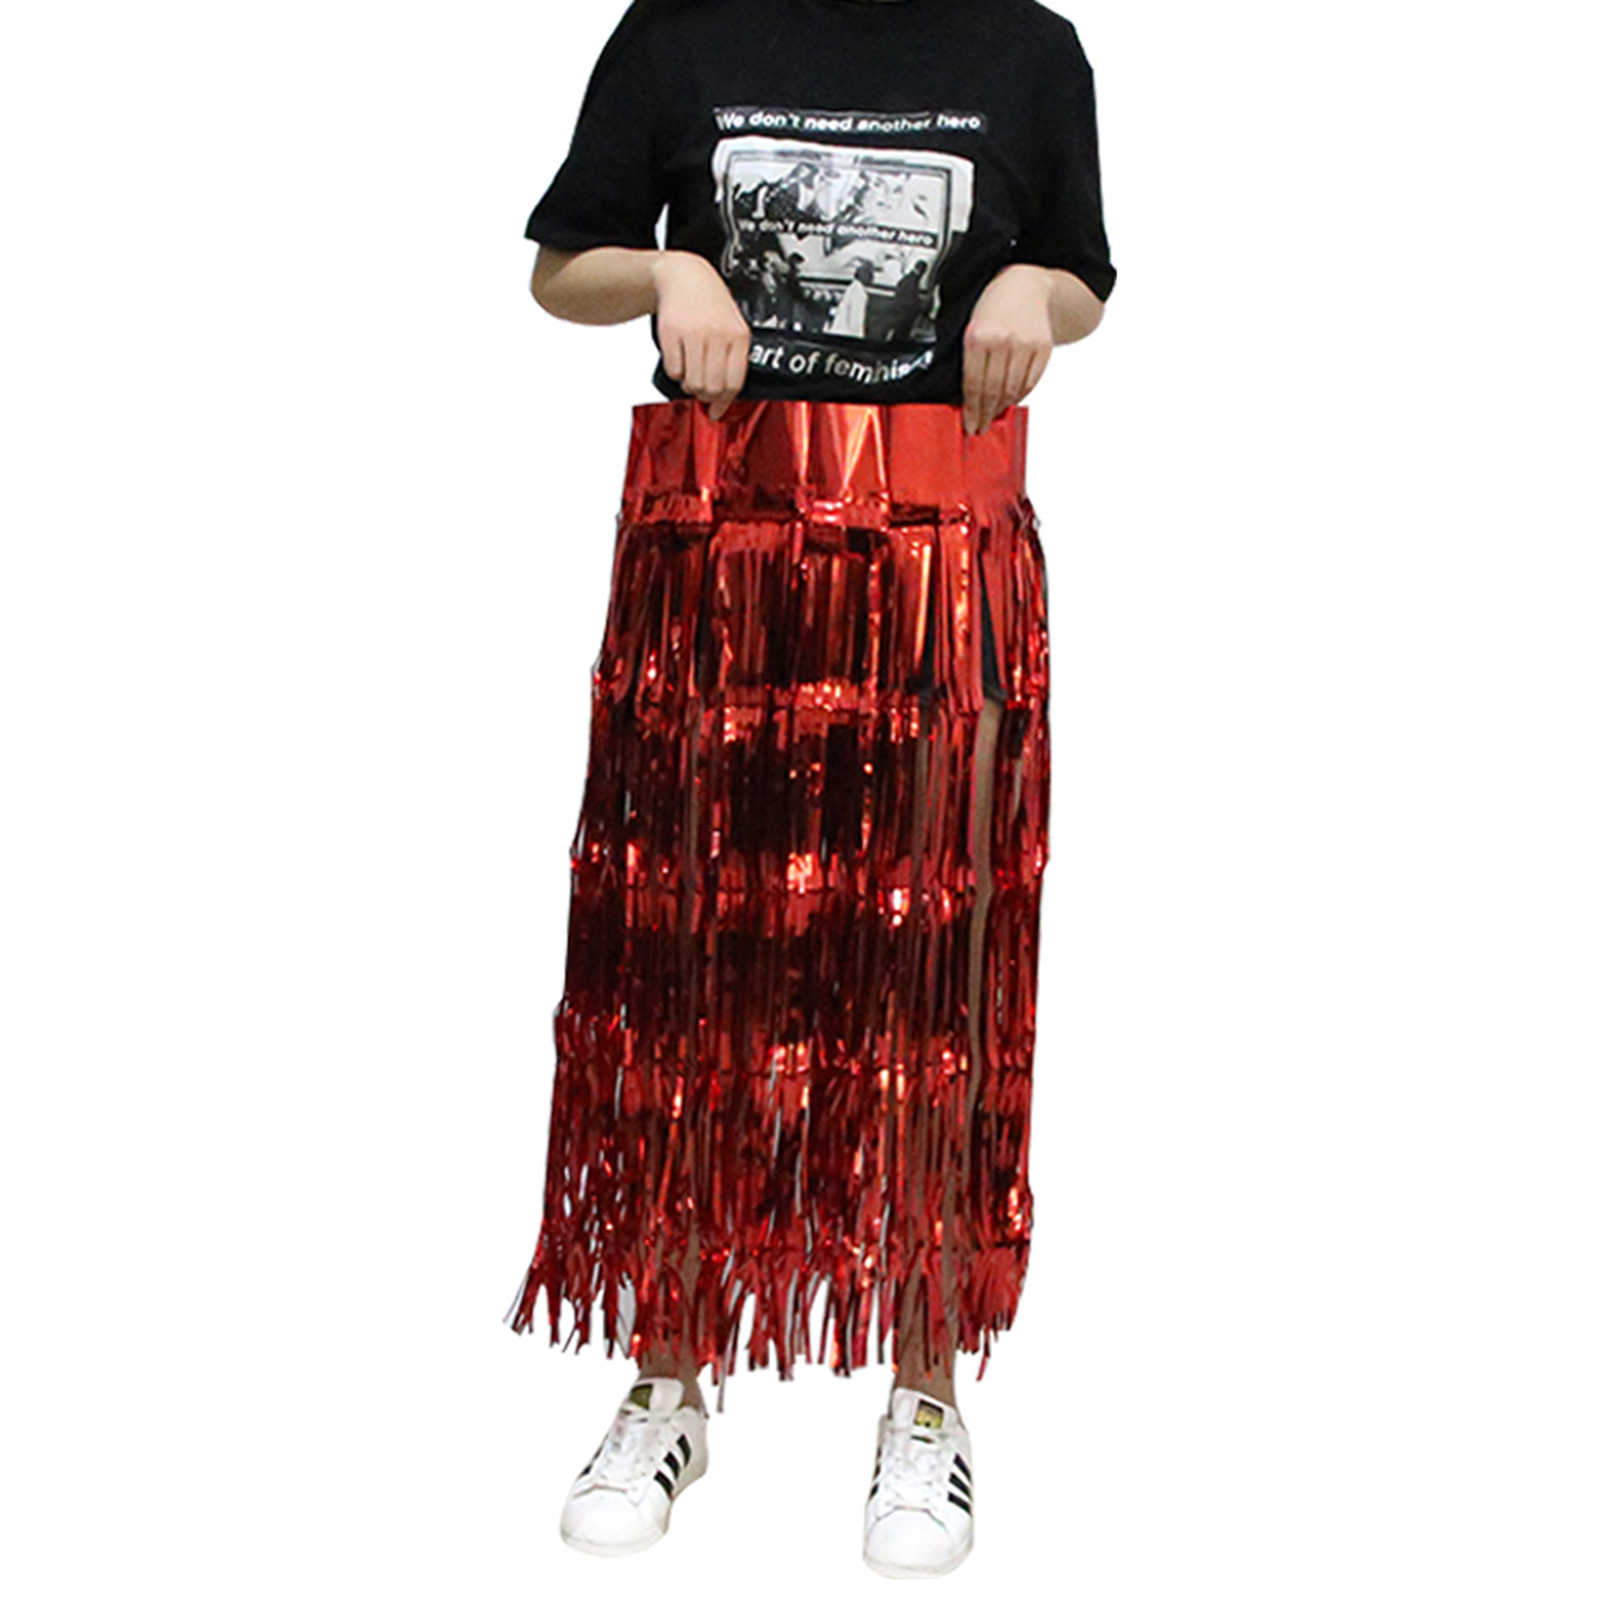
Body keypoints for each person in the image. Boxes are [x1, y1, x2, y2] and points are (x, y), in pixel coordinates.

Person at [503, 0, 1115, 1577]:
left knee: (932, 985)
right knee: (686, 969)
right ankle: (670, 1376)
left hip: (939, 569)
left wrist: (1039, 288)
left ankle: (925, 1398)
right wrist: (665, 273)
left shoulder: (1026, 51)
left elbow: (1083, 279)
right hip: (719, 562)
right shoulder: (682, 34)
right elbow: (563, 266)